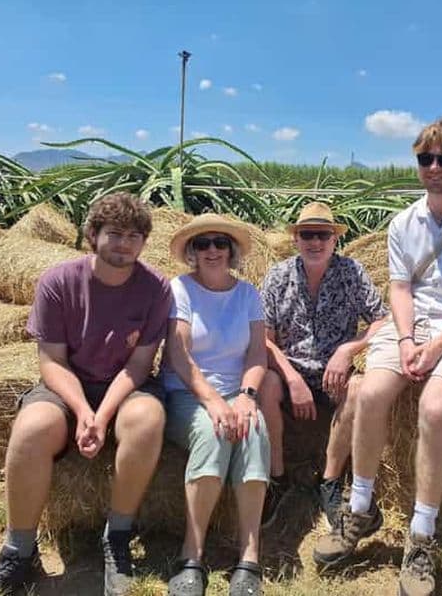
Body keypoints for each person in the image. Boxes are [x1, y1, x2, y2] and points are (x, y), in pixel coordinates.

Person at [312, 117, 442, 596]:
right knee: (371, 391)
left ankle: (421, 536)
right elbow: (400, 288)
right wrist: (405, 341)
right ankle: (359, 510)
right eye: (426, 158)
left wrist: (438, 346)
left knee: (436, 407)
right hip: (413, 326)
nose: (435, 167)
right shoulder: (405, 222)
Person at [0, 192, 172, 596]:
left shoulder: (155, 288)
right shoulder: (58, 282)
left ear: (144, 242)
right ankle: (18, 554)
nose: (124, 244)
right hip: (67, 383)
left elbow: (140, 364)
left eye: (134, 236)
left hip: (126, 387)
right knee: (31, 426)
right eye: (114, 234)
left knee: (148, 419)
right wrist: (81, 409)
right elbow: (52, 363)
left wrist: (102, 414)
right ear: (92, 235)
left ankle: (117, 536)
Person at [259, 202, 387, 528]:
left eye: (323, 234)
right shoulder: (278, 276)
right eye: (307, 234)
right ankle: (277, 477)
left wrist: (349, 350)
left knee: (359, 388)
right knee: (265, 384)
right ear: (296, 239)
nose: (315, 242)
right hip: (291, 373)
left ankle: (330, 482)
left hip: (334, 374)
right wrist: (291, 378)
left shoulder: (352, 273)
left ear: (334, 240)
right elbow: (264, 338)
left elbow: (382, 320)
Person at [162, 213, 269, 596]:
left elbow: (258, 355)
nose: (212, 250)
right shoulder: (180, 289)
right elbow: (179, 353)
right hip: (186, 394)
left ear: (232, 250)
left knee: (255, 432)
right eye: (203, 243)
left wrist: (246, 395)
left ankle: (250, 555)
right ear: (192, 251)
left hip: (234, 393)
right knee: (214, 433)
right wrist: (213, 402)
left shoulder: (248, 294)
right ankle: (192, 554)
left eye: (219, 243)